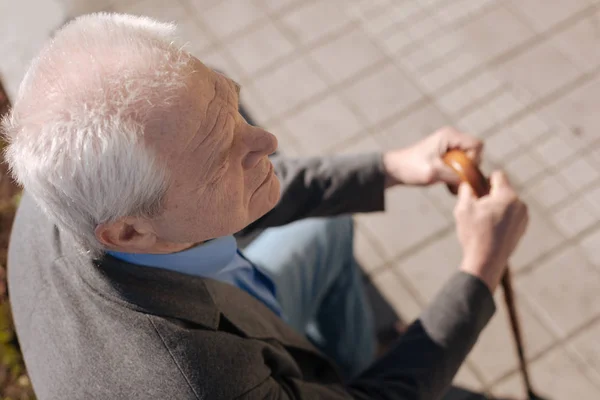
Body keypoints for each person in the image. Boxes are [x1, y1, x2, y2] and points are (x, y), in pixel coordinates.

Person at [3, 13, 529, 400]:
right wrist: (479, 270)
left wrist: (390, 167)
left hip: (232, 310)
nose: (268, 140)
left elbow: (240, 177)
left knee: (327, 234)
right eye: (218, 157)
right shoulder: (202, 383)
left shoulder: (64, 191)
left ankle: (346, 367)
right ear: (130, 233)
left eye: (230, 101)